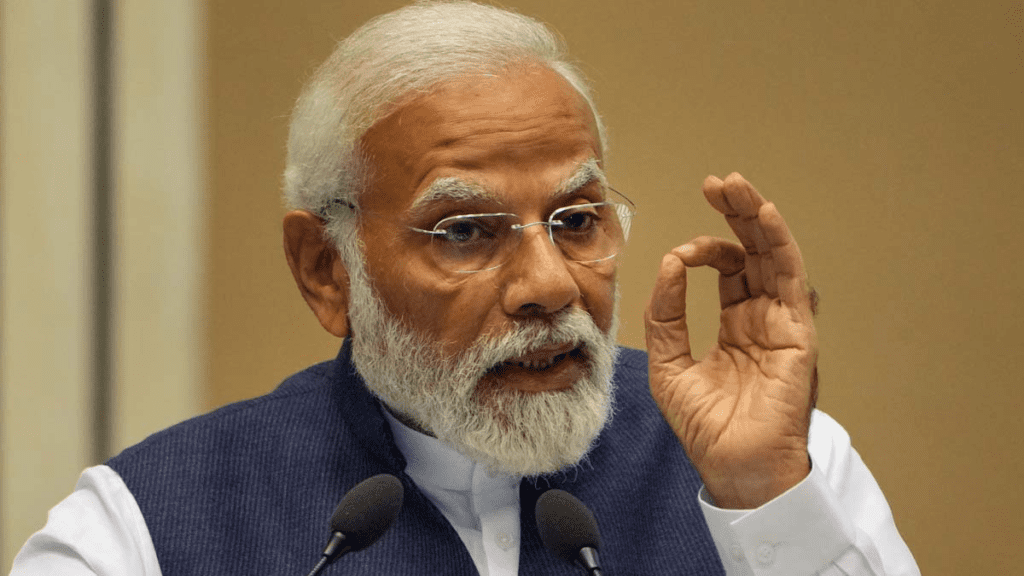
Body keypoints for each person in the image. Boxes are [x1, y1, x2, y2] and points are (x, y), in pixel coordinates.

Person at [11, 2, 919, 575]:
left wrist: (765, 497)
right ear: (328, 269)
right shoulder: (142, 529)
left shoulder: (778, 466)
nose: (549, 284)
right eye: (467, 232)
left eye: (576, 220)